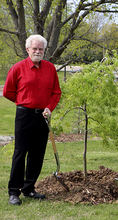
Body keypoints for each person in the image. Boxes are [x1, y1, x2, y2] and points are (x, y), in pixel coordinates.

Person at [3, 34, 61, 205]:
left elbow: (56, 92)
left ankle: (29, 188)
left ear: (44, 51)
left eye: (40, 49)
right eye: (34, 48)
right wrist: (22, 102)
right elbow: (7, 91)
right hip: (24, 115)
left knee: (37, 154)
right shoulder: (18, 68)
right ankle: (14, 191)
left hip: (43, 116)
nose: (37, 51)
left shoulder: (50, 68)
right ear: (28, 49)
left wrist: (49, 107)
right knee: (20, 153)